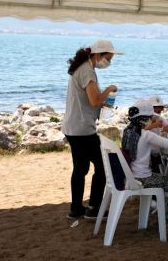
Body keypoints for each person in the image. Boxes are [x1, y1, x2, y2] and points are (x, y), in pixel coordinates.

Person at [62, 39, 122, 220]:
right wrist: (109, 89)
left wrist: (102, 100)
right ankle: (94, 208)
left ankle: (76, 208)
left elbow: (90, 100)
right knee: (103, 167)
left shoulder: (82, 68)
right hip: (82, 129)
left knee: (80, 169)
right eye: (108, 58)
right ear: (97, 55)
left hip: (73, 127)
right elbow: (95, 100)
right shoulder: (87, 71)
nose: (109, 63)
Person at [122, 99, 168, 221]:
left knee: (165, 178)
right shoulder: (147, 135)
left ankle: (161, 210)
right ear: (146, 119)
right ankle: (167, 218)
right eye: (151, 117)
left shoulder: (128, 131)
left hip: (130, 175)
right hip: (144, 179)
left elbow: (143, 133)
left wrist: (153, 126)